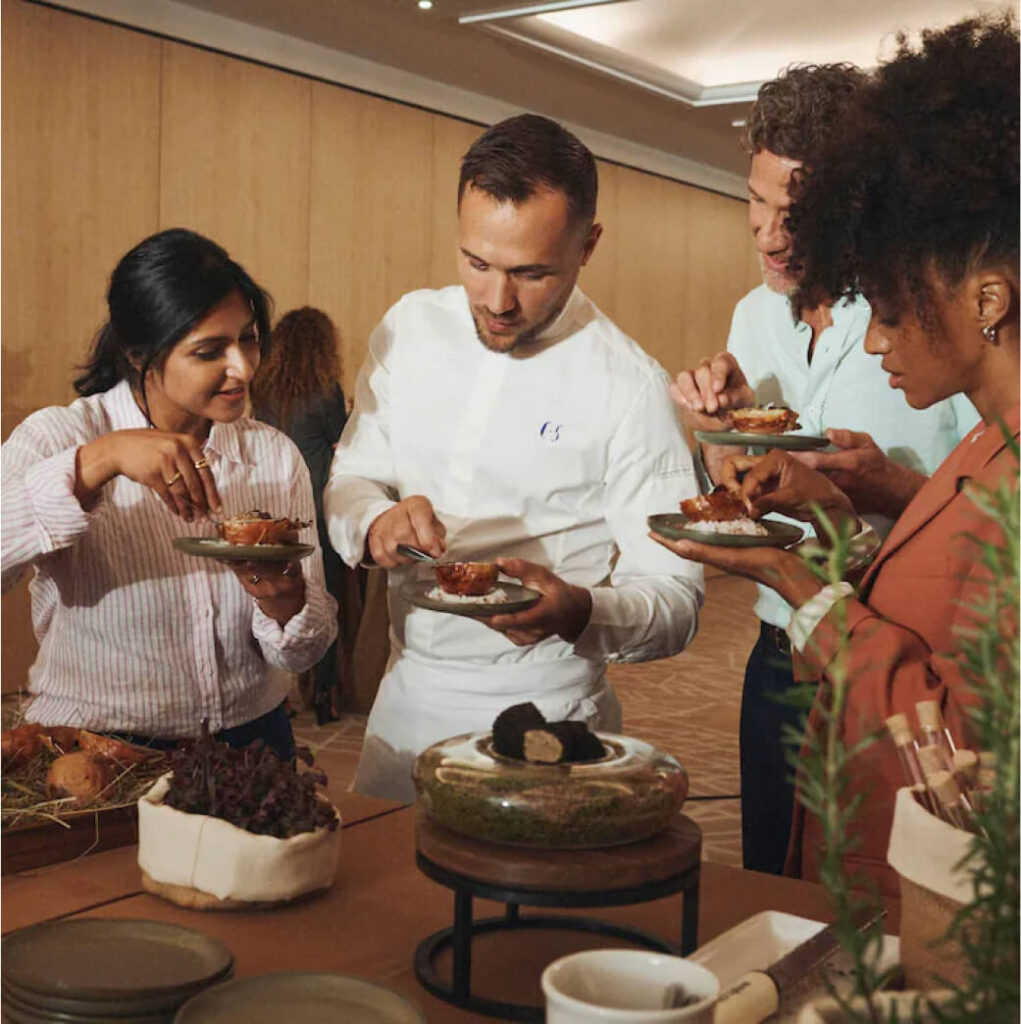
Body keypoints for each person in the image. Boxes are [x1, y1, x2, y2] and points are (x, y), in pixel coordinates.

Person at [653, 13, 1018, 896]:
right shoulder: (984, 436)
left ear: (986, 298)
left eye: (888, 308)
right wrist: (818, 513)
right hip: (849, 726)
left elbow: (964, 739)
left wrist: (790, 576)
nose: (874, 335)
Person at [325, 113, 704, 802]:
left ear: (588, 244)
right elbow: (351, 476)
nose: (496, 302)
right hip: (402, 702)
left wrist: (579, 611)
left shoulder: (629, 385)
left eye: (530, 274)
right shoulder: (409, 327)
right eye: (477, 264)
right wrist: (374, 522)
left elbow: (677, 600)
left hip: (546, 716)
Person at [1, 229, 338, 759]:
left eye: (248, 339)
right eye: (209, 351)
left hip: (251, 742)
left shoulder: (271, 456)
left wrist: (284, 600)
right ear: (138, 354)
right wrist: (100, 461)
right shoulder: (61, 438)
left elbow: (303, 652)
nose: (243, 368)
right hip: (94, 748)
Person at [252, 307, 350, 725]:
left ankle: (281, 695)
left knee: (271, 598)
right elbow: (344, 442)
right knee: (322, 598)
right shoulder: (324, 390)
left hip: (270, 506)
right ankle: (325, 696)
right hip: (316, 509)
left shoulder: (262, 387)